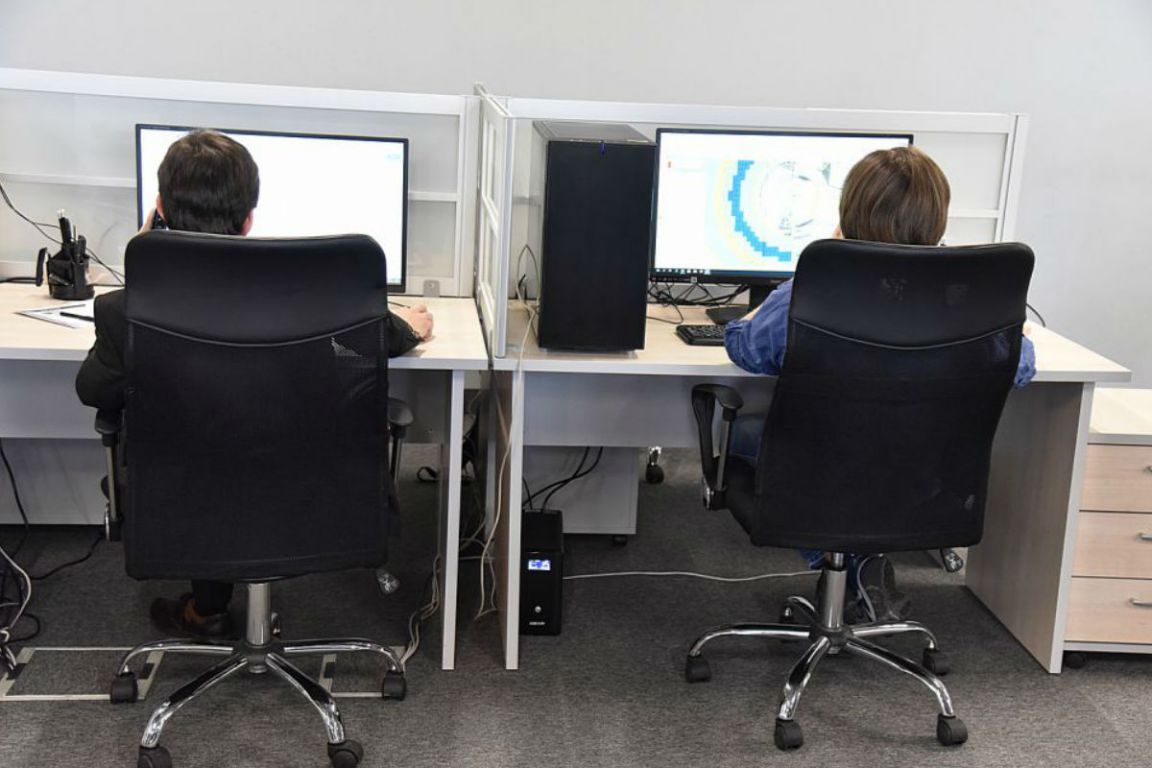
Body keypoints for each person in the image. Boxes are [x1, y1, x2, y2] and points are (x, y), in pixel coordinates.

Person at [75, 129, 433, 639]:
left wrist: (147, 265)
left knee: (206, 450)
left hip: (188, 497)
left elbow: (95, 391)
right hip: (310, 491)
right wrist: (411, 326)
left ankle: (207, 609)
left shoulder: (125, 310)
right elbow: (377, 335)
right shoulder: (314, 296)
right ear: (248, 219)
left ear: (160, 209)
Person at [722, 145, 1036, 622]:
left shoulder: (814, 291)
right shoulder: (971, 300)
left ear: (847, 212)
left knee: (740, 431)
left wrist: (791, 289)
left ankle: (844, 563)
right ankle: (863, 564)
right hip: (925, 470)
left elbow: (747, 350)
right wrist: (1014, 334)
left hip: (823, 469)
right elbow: (1018, 367)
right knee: (875, 456)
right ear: (938, 219)